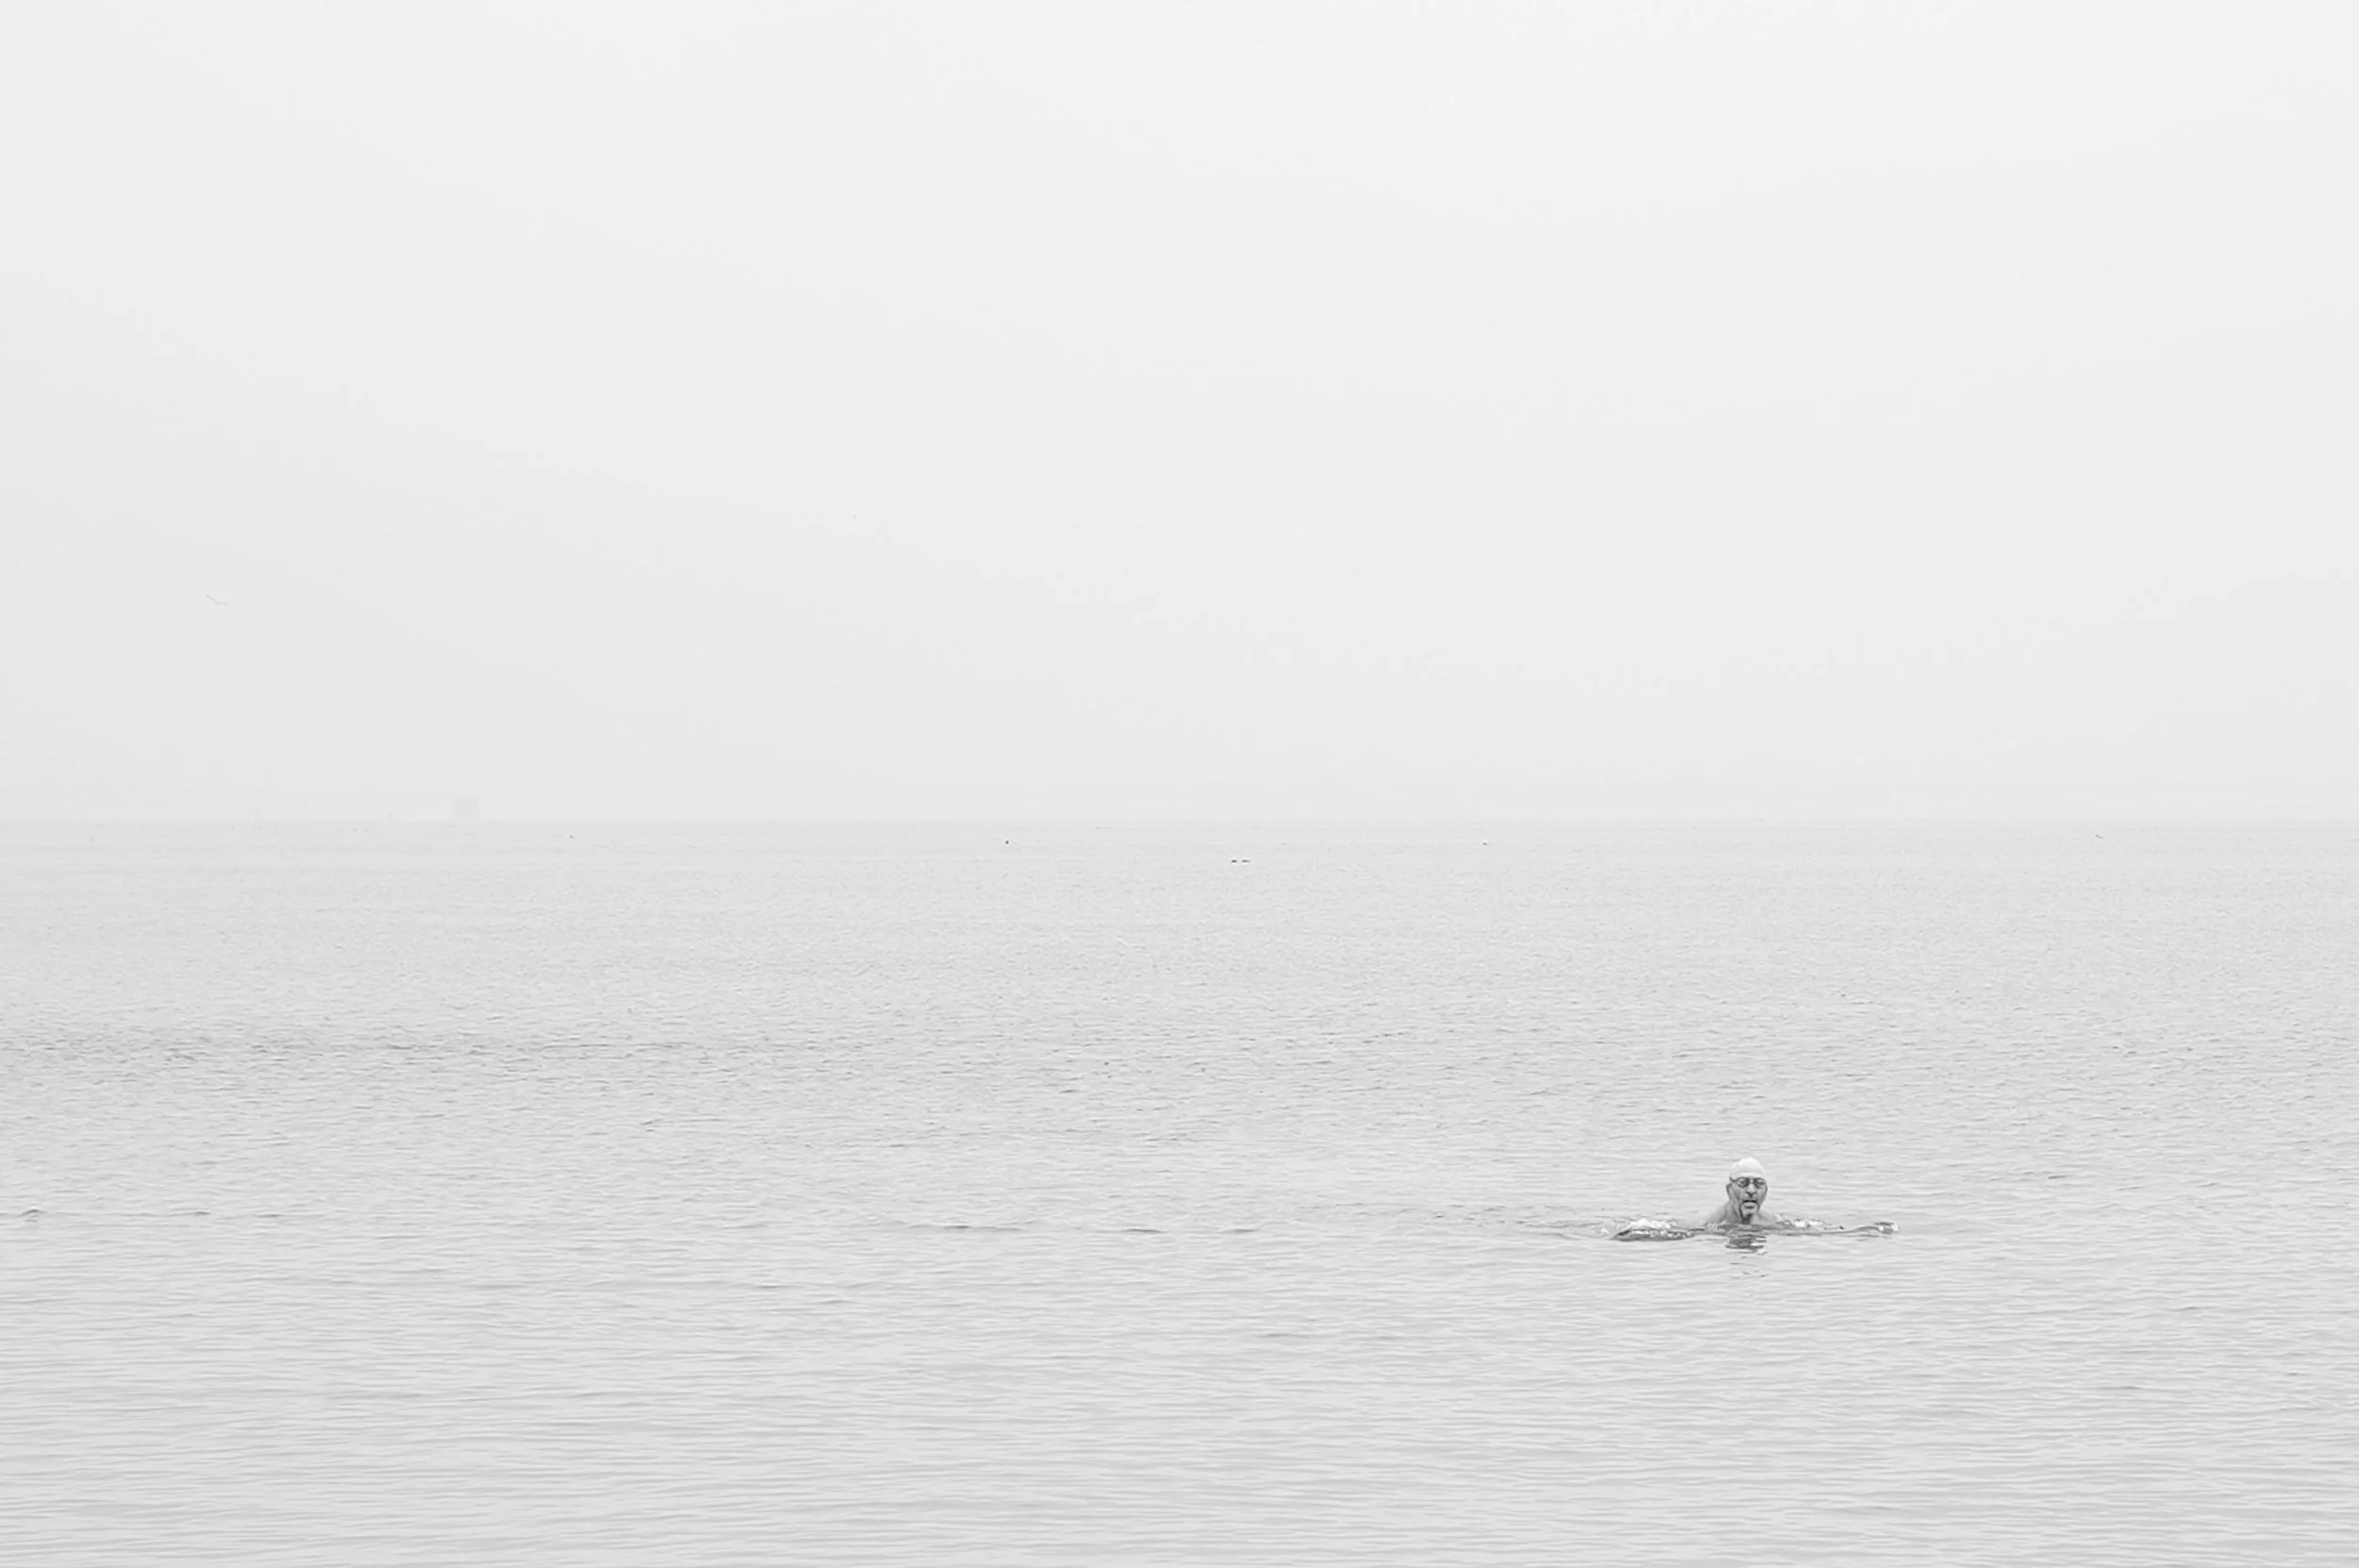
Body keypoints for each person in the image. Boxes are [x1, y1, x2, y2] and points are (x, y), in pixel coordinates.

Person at [1696, 1156, 1779, 1230]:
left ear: (1766, 1192)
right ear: (1729, 1190)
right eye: (1743, 1183)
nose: (1751, 1190)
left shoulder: (1773, 1222)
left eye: (1759, 1183)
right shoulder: (1711, 1225)